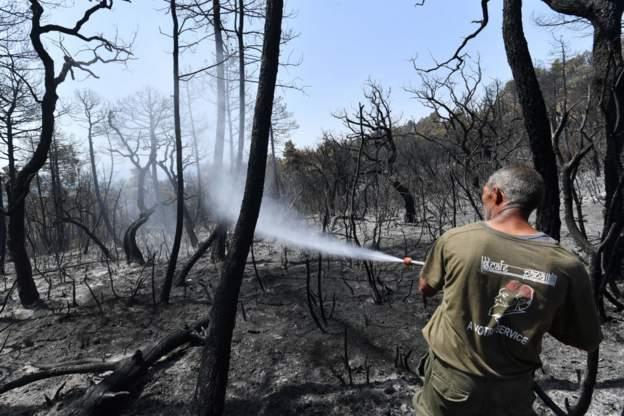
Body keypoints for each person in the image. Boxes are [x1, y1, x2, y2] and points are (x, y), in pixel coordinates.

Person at [411, 165, 602, 416]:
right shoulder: (567, 266)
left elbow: (425, 288)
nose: (483, 201)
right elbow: (587, 339)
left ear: (497, 195)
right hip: (513, 393)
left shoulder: (457, 240)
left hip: (450, 386)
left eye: (485, 194)